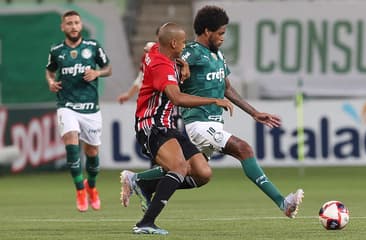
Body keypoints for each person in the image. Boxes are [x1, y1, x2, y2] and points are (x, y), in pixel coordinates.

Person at [124, 5, 304, 219]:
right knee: (243, 149)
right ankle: (282, 202)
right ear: (207, 31)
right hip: (197, 123)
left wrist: (254, 113)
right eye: (220, 33)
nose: (223, 37)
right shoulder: (191, 51)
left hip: (213, 122)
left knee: (196, 173)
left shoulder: (217, 55)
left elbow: (226, 88)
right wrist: (178, 61)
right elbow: (161, 51)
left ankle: (139, 180)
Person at [120, 22, 233, 235]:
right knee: (179, 168)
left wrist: (182, 63)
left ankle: (141, 183)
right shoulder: (161, 65)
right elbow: (177, 98)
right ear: (173, 43)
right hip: (152, 125)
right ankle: (146, 223)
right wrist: (213, 100)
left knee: (203, 173)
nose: (185, 46)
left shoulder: (159, 50)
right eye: (182, 43)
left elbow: (150, 45)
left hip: (169, 125)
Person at [45, 10, 112, 212]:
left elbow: (108, 68)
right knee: (71, 144)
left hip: (90, 108)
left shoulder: (92, 47)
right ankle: (79, 190)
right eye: (69, 23)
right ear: (63, 27)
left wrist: (97, 72)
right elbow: (49, 69)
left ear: (81, 25)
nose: (73, 26)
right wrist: (50, 82)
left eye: (76, 22)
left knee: (92, 152)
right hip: (67, 106)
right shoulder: (56, 50)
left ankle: (91, 187)